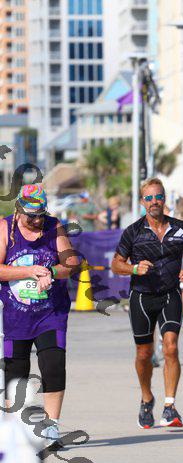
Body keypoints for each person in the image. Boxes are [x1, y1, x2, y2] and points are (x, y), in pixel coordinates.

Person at [111, 177, 183, 429]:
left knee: (171, 347)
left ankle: (170, 406)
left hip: (170, 294)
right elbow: (116, 264)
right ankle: (147, 397)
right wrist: (134, 268)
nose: (154, 202)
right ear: (142, 202)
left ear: (164, 199)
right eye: (148, 198)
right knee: (144, 353)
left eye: (158, 197)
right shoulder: (133, 231)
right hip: (141, 297)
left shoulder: (181, 228)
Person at [0, 184, 79, 443]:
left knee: (53, 365)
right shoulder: (5, 228)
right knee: (16, 372)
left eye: (40, 215)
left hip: (50, 313)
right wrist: (30, 271)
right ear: (19, 210)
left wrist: (51, 272)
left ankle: (52, 426)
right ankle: (15, 430)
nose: (36, 221)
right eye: (31, 216)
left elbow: (72, 264)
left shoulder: (53, 226)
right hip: (15, 316)